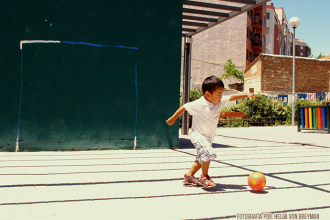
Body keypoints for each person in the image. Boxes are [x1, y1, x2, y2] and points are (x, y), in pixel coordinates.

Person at [166, 75, 256, 188]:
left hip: (208, 137)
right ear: (208, 94)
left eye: (221, 94)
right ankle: (204, 176)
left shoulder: (218, 102)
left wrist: (246, 94)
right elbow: (184, 106)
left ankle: (189, 176)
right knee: (208, 153)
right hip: (197, 135)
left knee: (201, 159)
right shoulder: (199, 103)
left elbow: (231, 97)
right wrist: (173, 118)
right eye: (218, 95)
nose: (221, 97)